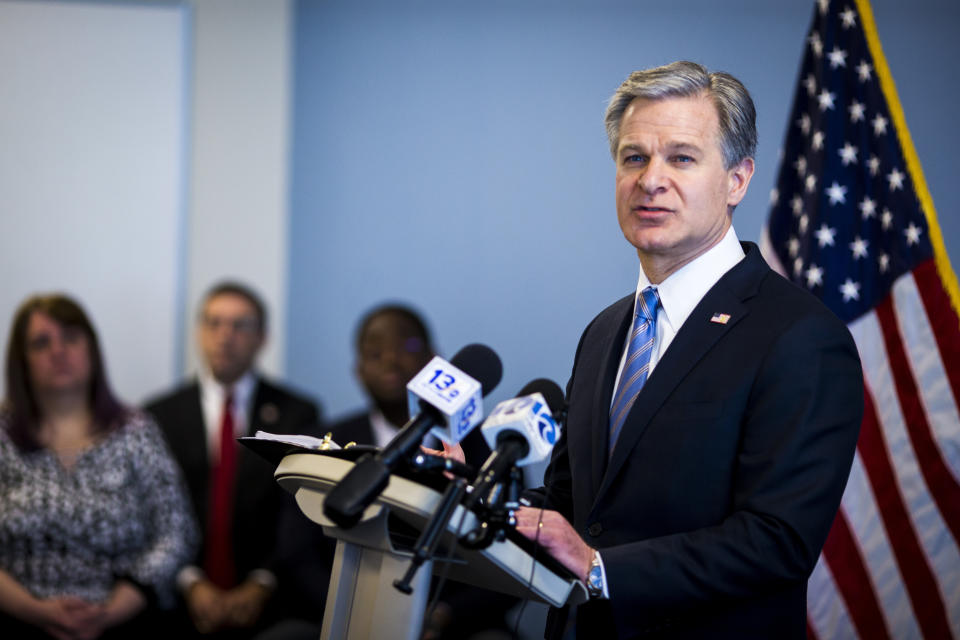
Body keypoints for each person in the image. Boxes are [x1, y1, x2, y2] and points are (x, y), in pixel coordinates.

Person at [503, 62, 865, 638]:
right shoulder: (603, 332)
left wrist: (602, 570)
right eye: (634, 157)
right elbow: (576, 511)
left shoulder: (801, 337)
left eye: (682, 157)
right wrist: (469, 502)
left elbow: (779, 541)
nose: (650, 180)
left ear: (737, 180)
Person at [268, 303, 516, 640]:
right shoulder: (329, 442)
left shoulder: (486, 448)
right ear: (358, 370)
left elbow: (511, 559)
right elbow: (296, 554)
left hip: (452, 626)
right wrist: (351, 611)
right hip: (341, 614)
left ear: (435, 361)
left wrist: (442, 618)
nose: (391, 360)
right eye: (374, 352)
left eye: (408, 347)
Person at [0, 294, 197, 639]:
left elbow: (177, 532)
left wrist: (113, 608)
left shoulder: (135, 431)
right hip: (17, 618)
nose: (58, 351)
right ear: (22, 360)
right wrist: (37, 611)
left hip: (123, 620)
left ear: (92, 349)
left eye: (71, 338)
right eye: (41, 342)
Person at [144, 281, 321, 638]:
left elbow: (299, 511)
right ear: (199, 332)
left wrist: (261, 582)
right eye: (214, 323)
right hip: (177, 602)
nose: (225, 335)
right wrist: (190, 582)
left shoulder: (297, 414)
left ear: (263, 337)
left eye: (240, 325)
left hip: (272, 603)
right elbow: (151, 509)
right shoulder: (158, 415)